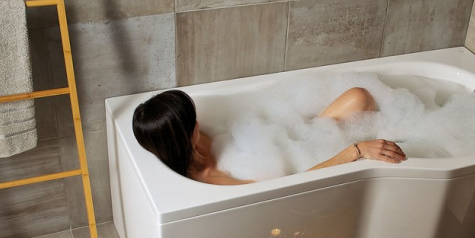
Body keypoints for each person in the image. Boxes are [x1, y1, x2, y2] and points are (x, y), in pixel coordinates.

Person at [132, 87, 406, 185]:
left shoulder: (191, 142)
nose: (198, 122)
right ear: (182, 138)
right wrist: (355, 150)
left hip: (296, 136)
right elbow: (289, 186)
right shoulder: (214, 179)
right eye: (192, 122)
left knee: (359, 96)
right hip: (306, 164)